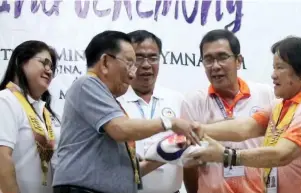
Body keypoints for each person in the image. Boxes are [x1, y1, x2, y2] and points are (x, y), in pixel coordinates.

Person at [52, 30, 199, 193]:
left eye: (152, 58)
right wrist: (170, 122)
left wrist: (167, 152)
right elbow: (120, 130)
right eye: (130, 63)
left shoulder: (110, 100)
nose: (132, 73)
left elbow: (132, 173)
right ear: (106, 62)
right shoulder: (87, 84)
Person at [187, 36, 301, 193]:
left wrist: (226, 156)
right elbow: (245, 128)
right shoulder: (279, 105)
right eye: (274, 67)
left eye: (280, 68)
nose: (273, 75)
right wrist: (197, 130)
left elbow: (281, 155)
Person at [181, 29, 275, 193]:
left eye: (222, 57)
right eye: (208, 60)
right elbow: (189, 163)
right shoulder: (193, 102)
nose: (215, 66)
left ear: (238, 61)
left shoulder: (265, 94)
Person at [117, 30, 184, 193]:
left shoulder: (177, 99)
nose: (146, 65)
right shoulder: (114, 101)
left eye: (153, 58)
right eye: (139, 58)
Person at [0, 40, 61, 193]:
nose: (49, 70)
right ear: (20, 61)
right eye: (44, 63)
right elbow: (2, 157)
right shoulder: (5, 100)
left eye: (52, 67)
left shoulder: (45, 111)